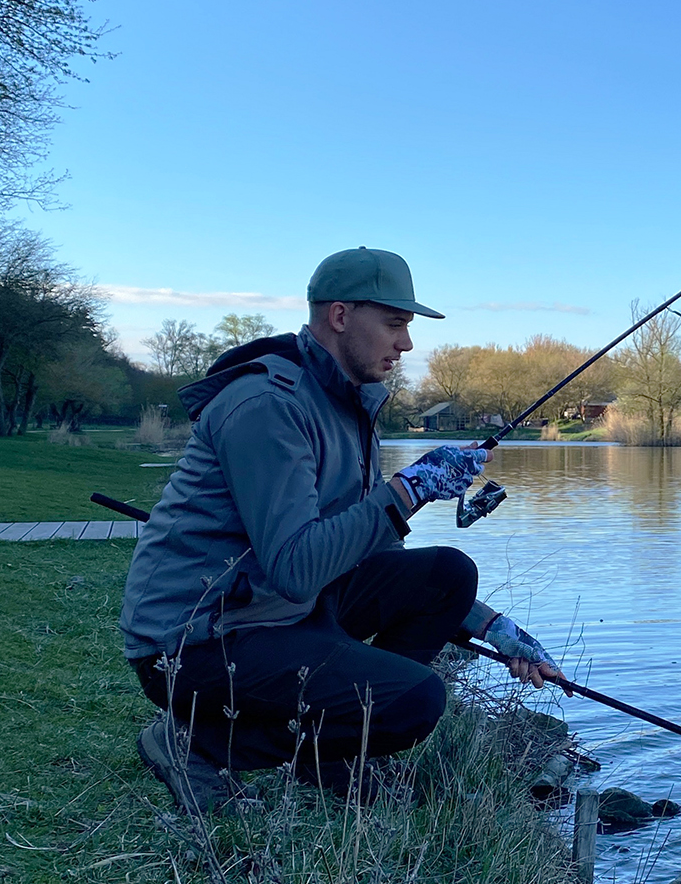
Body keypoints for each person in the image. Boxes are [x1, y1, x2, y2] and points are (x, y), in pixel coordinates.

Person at [120, 246, 563, 814]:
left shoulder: (348, 406)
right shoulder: (267, 405)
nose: (406, 344)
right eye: (396, 324)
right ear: (340, 315)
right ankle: (194, 745)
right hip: (196, 641)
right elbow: (298, 569)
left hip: (273, 610)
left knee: (447, 575)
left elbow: (366, 550)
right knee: (415, 702)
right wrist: (411, 488)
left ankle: (335, 750)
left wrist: (494, 628)